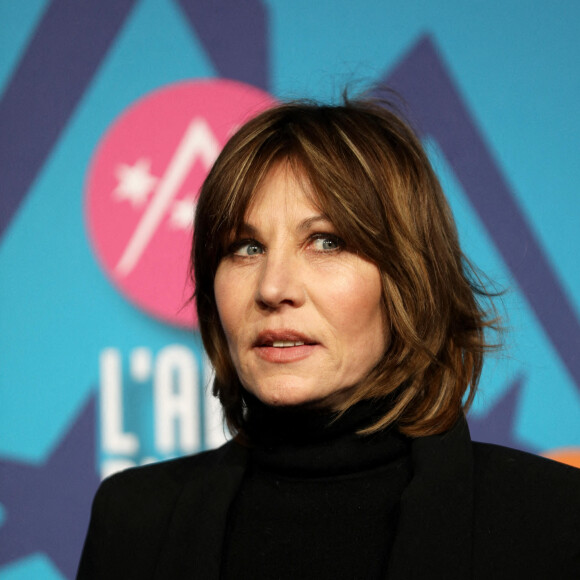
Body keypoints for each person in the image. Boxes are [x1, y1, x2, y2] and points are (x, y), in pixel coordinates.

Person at [77, 99, 580, 579]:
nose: (273, 289)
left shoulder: (552, 519)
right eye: (245, 247)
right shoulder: (132, 522)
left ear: (408, 279)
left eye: (326, 242)